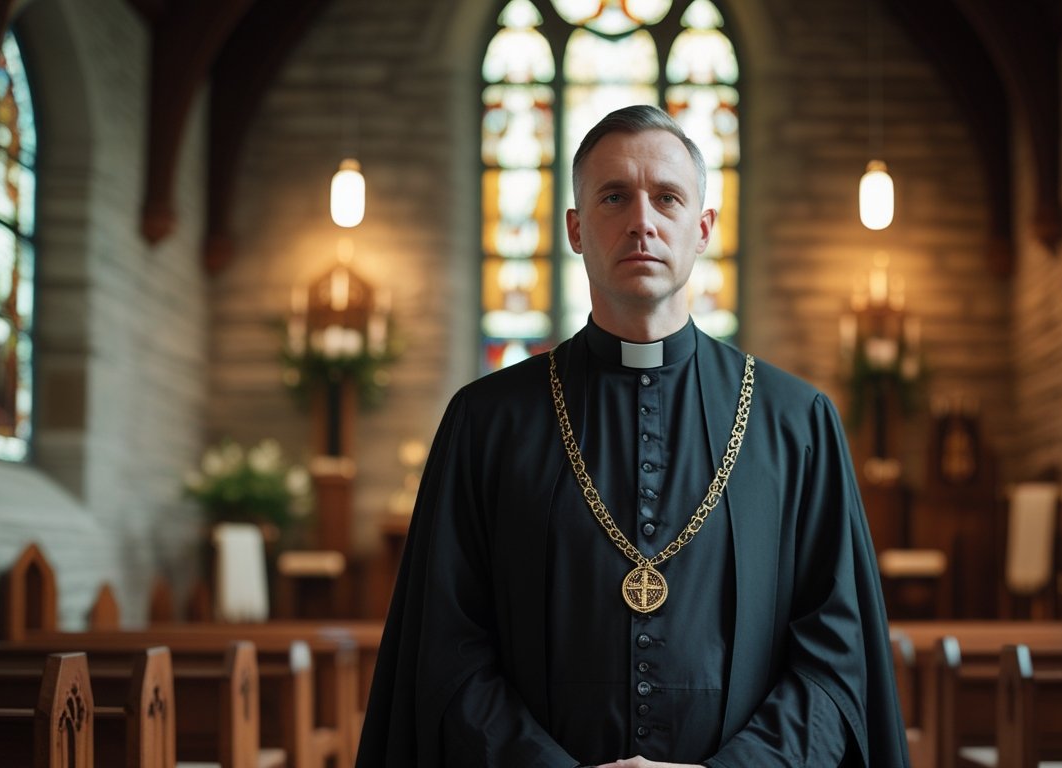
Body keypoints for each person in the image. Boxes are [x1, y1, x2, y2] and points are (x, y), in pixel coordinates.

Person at [357, 105, 908, 767]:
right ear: (576, 228)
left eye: (667, 198)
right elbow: (445, 649)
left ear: (703, 228)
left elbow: (834, 657)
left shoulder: (796, 424)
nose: (642, 221)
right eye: (614, 197)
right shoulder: (486, 423)